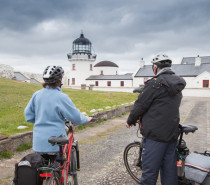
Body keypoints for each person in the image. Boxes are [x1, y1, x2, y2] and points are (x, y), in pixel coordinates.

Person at [126, 54, 186, 185]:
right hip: (171, 134)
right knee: (169, 172)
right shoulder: (177, 85)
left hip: (155, 136)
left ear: (155, 68)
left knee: (149, 173)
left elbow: (140, 105)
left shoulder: (154, 83)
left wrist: (130, 120)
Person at [24, 66, 92, 162]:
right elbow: (76, 117)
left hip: (38, 143)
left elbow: (28, 116)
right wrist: (86, 119)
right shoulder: (62, 97)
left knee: (40, 170)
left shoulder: (36, 95)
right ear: (59, 80)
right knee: (57, 168)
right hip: (55, 143)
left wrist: (42, 119)